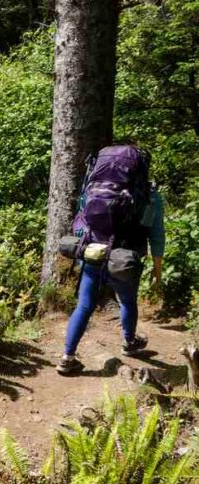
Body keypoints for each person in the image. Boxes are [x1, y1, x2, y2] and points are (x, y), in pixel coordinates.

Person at [57, 151, 166, 377]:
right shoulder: (150, 195)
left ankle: (67, 357)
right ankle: (129, 342)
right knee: (127, 301)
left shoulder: (92, 188)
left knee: (84, 305)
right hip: (124, 258)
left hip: (92, 254)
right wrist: (157, 268)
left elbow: (80, 223)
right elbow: (156, 234)